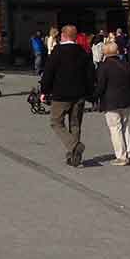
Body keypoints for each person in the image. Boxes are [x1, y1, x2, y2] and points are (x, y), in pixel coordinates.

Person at [41, 25, 94, 167]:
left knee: (56, 122)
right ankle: (74, 158)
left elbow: (48, 73)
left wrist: (44, 91)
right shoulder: (83, 52)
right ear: (75, 37)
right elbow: (90, 74)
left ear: (63, 36)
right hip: (79, 94)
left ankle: (74, 146)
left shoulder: (57, 52)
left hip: (61, 94)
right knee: (75, 124)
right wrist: (90, 93)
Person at [95, 39, 130, 165]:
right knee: (124, 126)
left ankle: (121, 156)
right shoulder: (125, 64)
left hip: (111, 101)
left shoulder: (104, 67)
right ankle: (129, 151)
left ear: (105, 52)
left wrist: (93, 97)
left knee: (115, 128)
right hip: (128, 100)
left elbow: (101, 86)